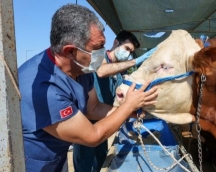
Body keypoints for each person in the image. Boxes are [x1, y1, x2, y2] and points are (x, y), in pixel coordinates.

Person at [18, 4, 157, 172]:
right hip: (36, 163)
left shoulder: (82, 69)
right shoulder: (44, 88)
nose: (102, 53)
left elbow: (94, 108)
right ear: (70, 51)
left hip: (58, 157)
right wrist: (127, 106)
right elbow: (92, 136)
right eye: (97, 48)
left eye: (103, 46)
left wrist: (130, 112)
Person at [73, 30, 147, 172]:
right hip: (85, 124)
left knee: (100, 160)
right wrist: (134, 61)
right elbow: (101, 71)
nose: (128, 54)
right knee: (84, 164)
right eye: (127, 48)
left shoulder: (119, 72)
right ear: (115, 43)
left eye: (131, 52)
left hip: (103, 123)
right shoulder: (97, 58)